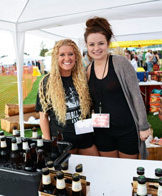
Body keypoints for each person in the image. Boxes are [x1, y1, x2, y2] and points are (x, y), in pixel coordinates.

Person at [84, 16, 151, 159]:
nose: (96, 48)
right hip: (102, 131)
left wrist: (143, 126)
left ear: (108, 43)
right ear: (87, 45)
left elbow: (136, 95)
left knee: (128, 172)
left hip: (126, 129)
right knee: (109, 170)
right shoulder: (88, 70)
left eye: (101, 43)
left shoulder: (120, 63)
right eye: (91, 44)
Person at [35, 39, 98, 156]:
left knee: (95, 168)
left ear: (76, 57)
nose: (67, 58)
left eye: (70, 54)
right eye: (62, 55)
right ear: (55, 58)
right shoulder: (47, 82)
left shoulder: (83, 78)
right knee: (65, 173)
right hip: (62, 141)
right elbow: (43, 117)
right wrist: (49, 143)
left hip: (85, 137)